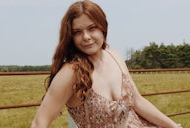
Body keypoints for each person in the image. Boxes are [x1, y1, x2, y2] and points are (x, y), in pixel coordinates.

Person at [31, 0, 182, 128]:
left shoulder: (115, 57)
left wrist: (173, 126)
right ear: (71, 36)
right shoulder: (71, 72)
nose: (86, 37)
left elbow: (137, 101)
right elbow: (39, 122)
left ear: (103, 28)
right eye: (77, 32)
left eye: (92, 28)